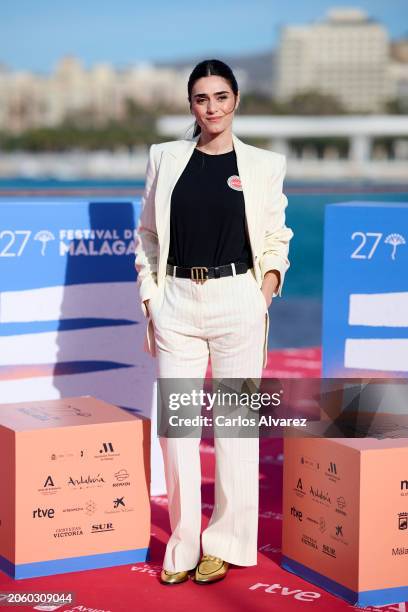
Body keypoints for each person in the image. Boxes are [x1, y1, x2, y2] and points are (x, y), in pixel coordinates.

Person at [134, 59, 293, 585]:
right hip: (176, 301)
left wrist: (263, 293)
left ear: (236, 99)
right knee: (178, 432)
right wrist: (152, 297)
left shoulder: (264, 165)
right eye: (202, 99)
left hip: (238, 302)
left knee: (235, 430)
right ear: (191, 105)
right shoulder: (165, 157)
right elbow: (148, 237)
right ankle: (181, 544)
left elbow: (275, 237)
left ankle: (223, 543)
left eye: (221, 97)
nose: (212, 108)